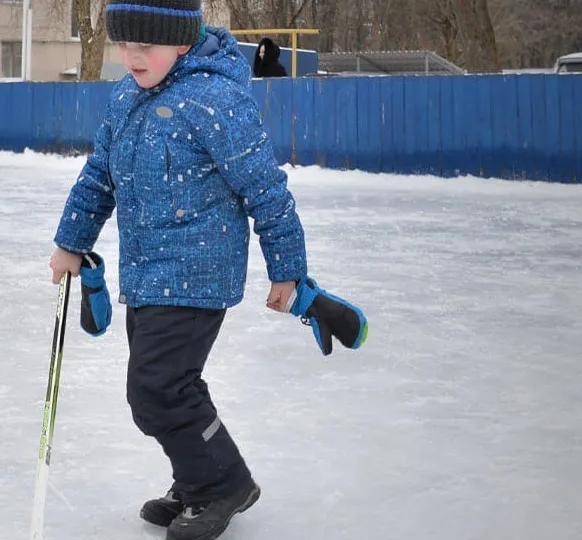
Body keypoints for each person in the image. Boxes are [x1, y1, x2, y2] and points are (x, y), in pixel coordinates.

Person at [49, 1, 368, 540]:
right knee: (169, 388)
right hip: (147, 276)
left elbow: (266, 191)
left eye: (144, 46)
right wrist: (71, 242)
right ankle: (198, 477)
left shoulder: (216, 99)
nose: (130, 57)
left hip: (199, 275)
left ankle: (223, 483)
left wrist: (287, 271)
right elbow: (98, 174)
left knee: (157, 390)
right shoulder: (127, 97)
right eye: (124, 44)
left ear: (178, 41)